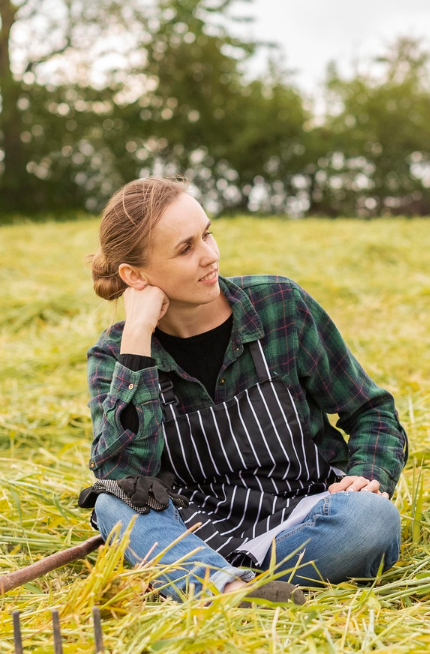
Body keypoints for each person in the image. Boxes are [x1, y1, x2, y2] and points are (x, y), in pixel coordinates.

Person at [82, 175, 407, 605]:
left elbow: (372, 411)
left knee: (373, 520)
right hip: (196, 527)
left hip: (303, 515)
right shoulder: (115, 355)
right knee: (111, 507)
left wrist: (367, 475)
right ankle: (233, 589)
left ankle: (206, 584)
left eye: (207, 234)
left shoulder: (280, 306)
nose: (210, 255)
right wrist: (138, 338)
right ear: (134, 276)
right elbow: (122, 478)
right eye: (186, 248)